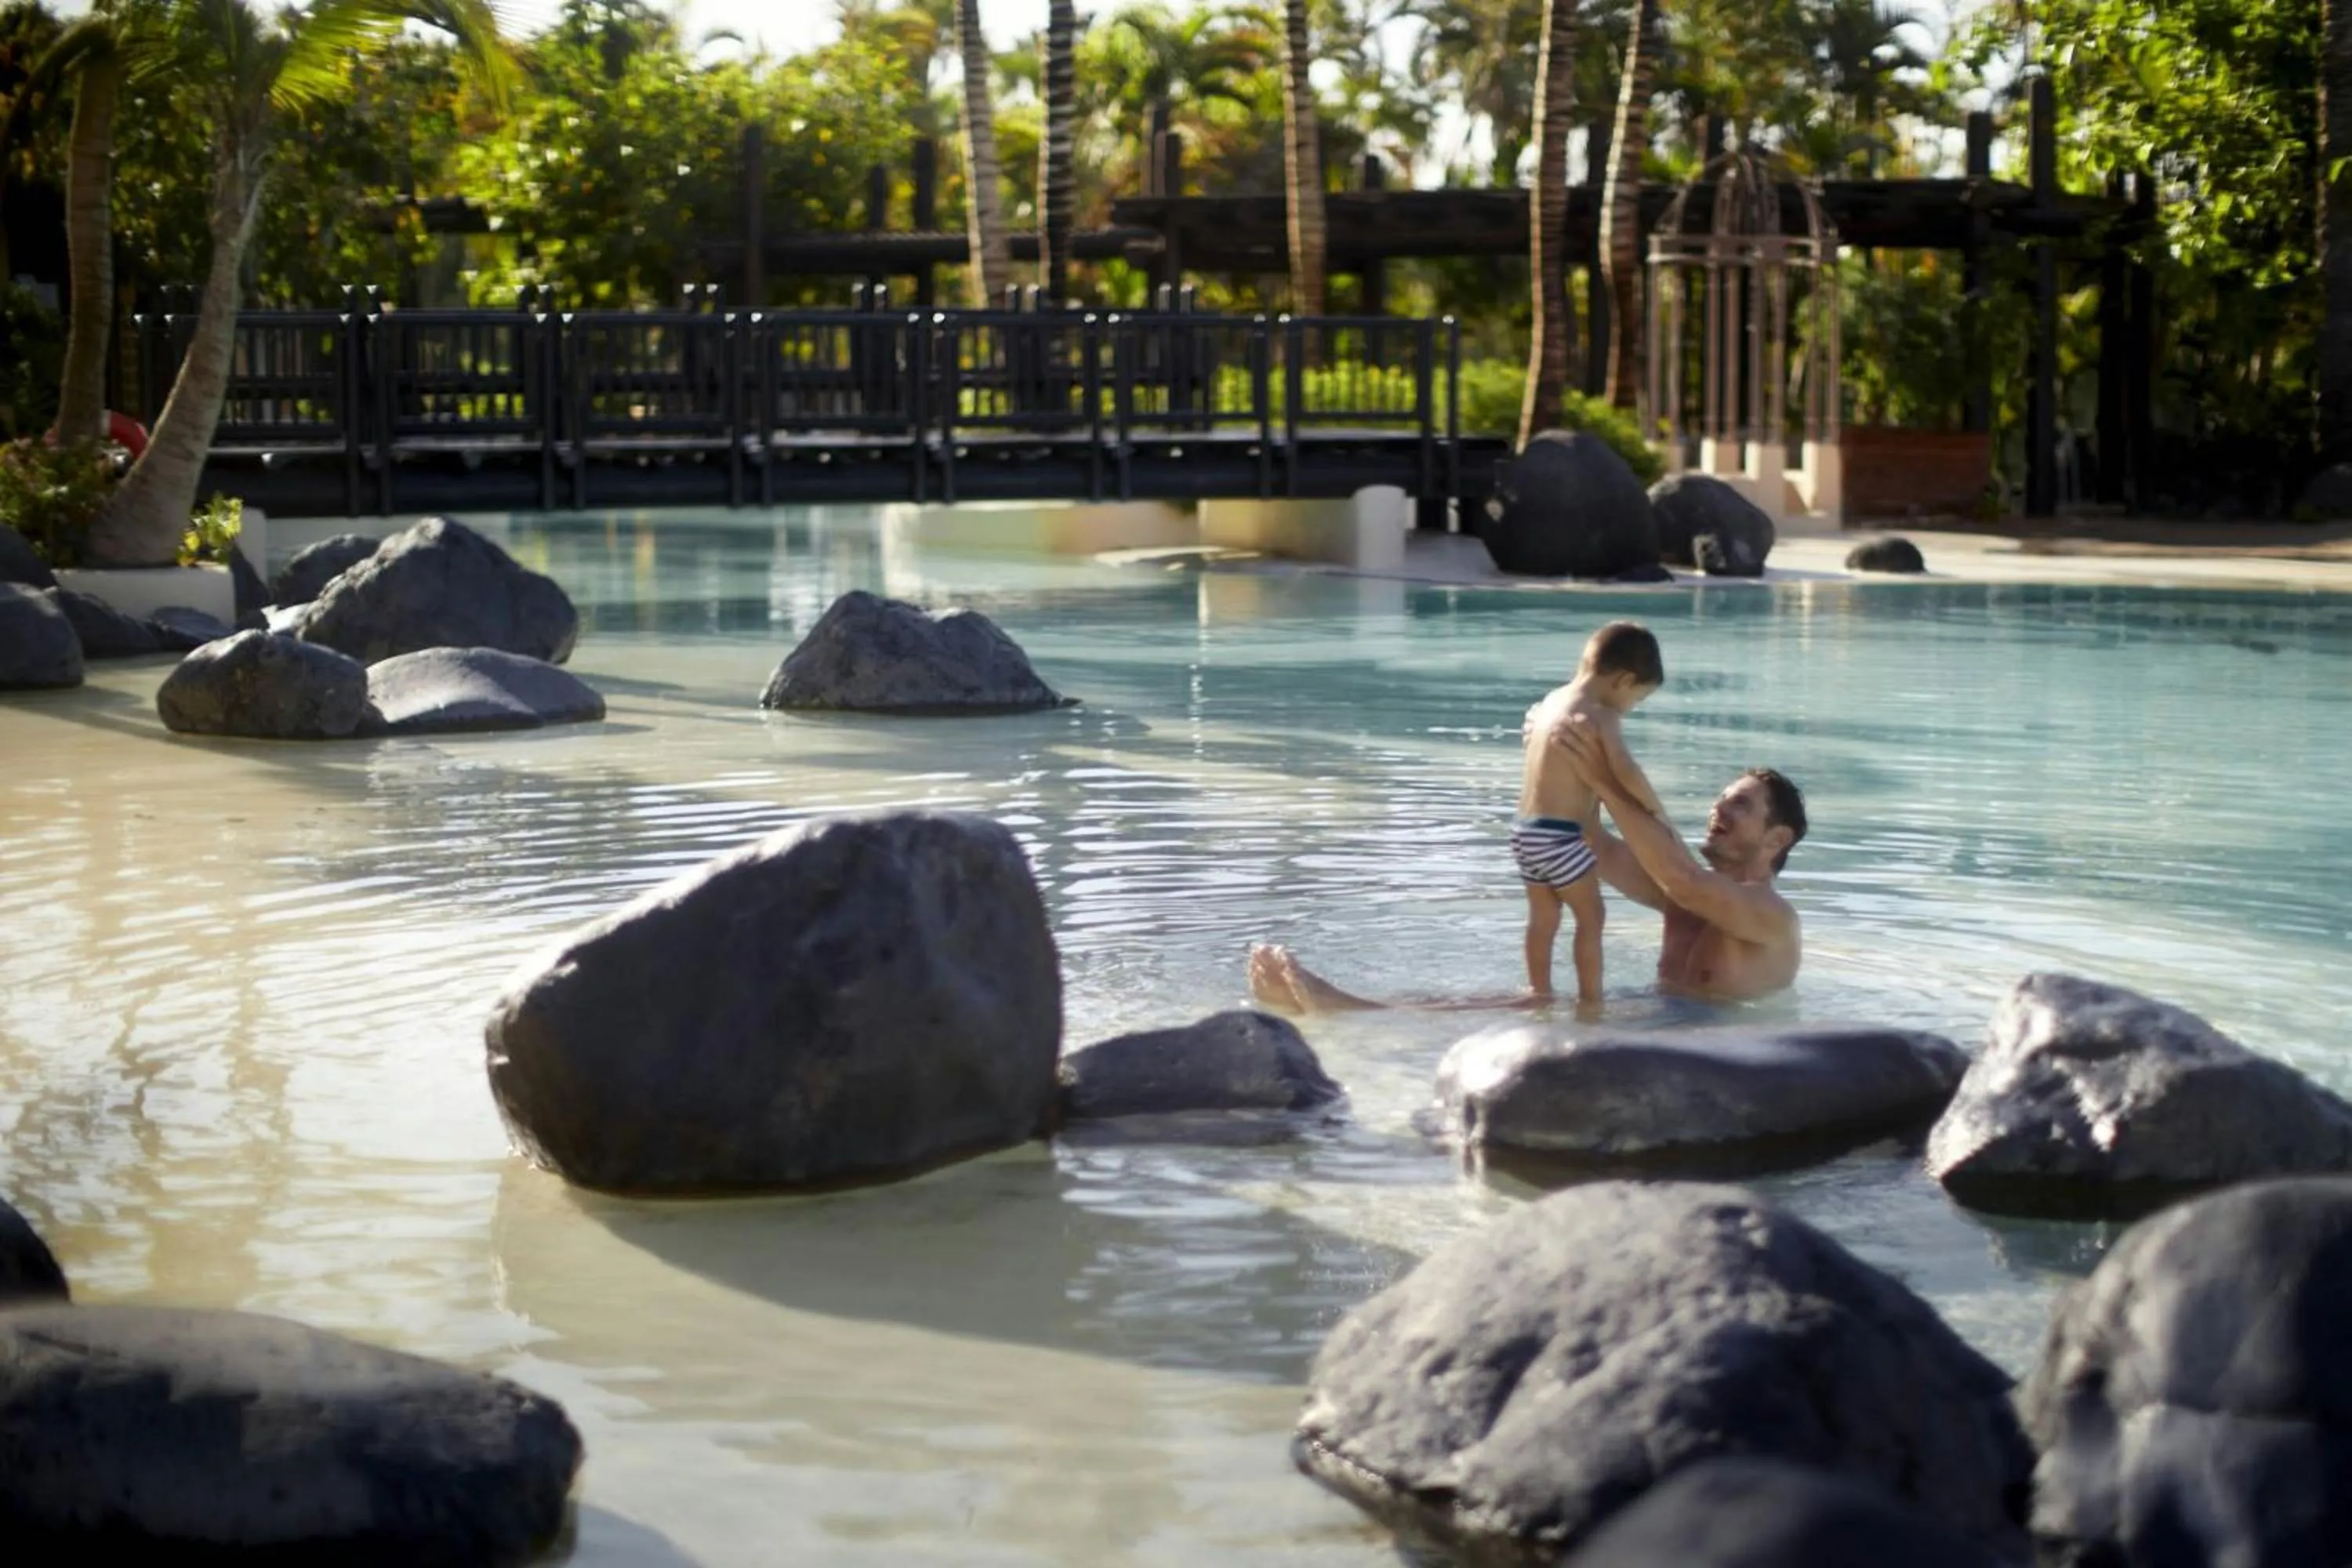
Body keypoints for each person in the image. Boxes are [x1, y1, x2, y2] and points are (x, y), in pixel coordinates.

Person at [1247, 738, 1806, 1010]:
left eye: (1740, 804)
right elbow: (1592, 841)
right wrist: (1555, 755)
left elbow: (1684, 879)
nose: (1718, 808)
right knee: (1528, 1000)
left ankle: (1347, 1011)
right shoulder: (1685, 899)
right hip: (1656, 1017)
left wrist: (1606, 781)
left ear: (1776, 839)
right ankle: (1353, 1008)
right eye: (1721, 798)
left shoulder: (1771, 916)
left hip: (1717, 1045)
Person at [1514, 621, 1667, 1010]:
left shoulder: (1550, 703)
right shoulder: (1601, 715)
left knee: (1543, 918)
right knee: (1591, 916)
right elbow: (1625, 769)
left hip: (1526, 833)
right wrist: (1654, 808)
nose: (1632, 707)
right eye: (1638, 698)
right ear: (1623, 681)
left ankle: (1538, 993)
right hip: (1562, 837)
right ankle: (1590, 1002)